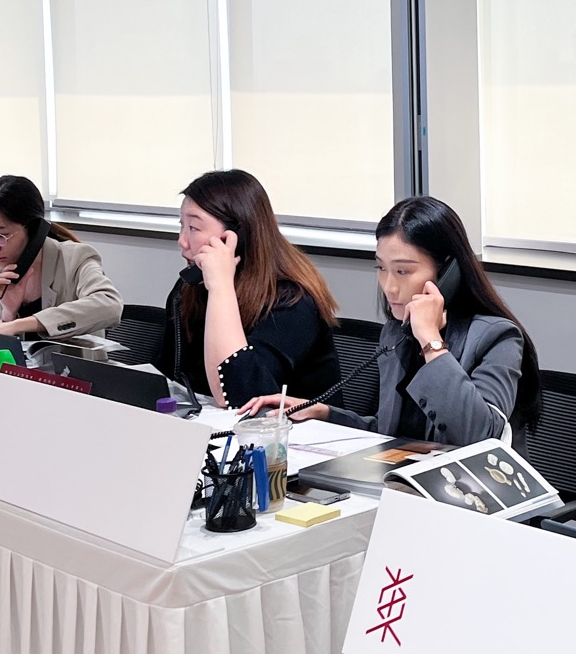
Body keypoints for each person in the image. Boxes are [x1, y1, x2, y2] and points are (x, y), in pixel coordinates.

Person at [249, 196, 540, 447]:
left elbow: (479, 438)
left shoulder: (497, 338)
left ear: (447, 272)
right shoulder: (396, 334)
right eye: (381, 268)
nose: (388, 287)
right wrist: (324, 413)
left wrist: (431, 342)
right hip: (406, 487)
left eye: (403, 271)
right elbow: (393, 434)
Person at [155, 169, 341, 410]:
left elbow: (239, 394)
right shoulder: (190, 290)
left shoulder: (293, 300)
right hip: (206, 423)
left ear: (236, 236)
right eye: (182, 226)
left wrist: (221, 287)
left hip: (286, 430)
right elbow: (166, 380)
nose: (182, 241)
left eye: (194, 228)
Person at [0, 175, 123, 340]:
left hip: (72, 357)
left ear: (34, 229)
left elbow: (110, 305)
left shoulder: (74, 258)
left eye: (1, 236)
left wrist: (18, 325)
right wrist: (8, 313)